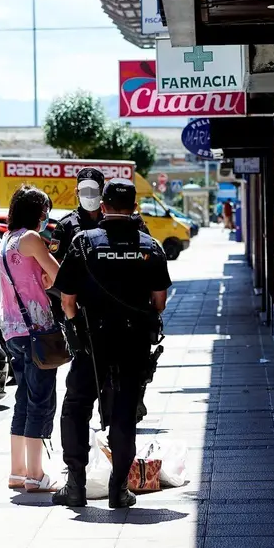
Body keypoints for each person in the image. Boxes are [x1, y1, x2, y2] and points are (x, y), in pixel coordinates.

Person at [51, 178, 172, 508]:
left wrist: (76, 327)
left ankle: (75, 485)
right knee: (124, 412)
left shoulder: (83, 242)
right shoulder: (150, 247)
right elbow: (159, 302)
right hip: (132, 342)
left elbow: (67, 300)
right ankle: (119, 489)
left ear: (102, 206)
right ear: (134, 208)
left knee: (76, 406)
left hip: (91, 342)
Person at [0, 185, 62, 493]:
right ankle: (36, 475)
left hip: (12, 329)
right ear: (38, 213)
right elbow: (59, 276)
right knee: (39, 401)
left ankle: (18, 471)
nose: (46, 217)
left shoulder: (6, 239)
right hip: (36, 329)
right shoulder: (31, 239)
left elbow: (29, 278)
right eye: (45, 212)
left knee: (23, 399)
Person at [50, 168, 150, 264]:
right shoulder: (66, 224)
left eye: (94, 191)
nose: (89, 195)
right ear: (76, 192)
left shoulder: (116, 220)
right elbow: (54, 263)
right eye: (85, 191)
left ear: (102, 192)